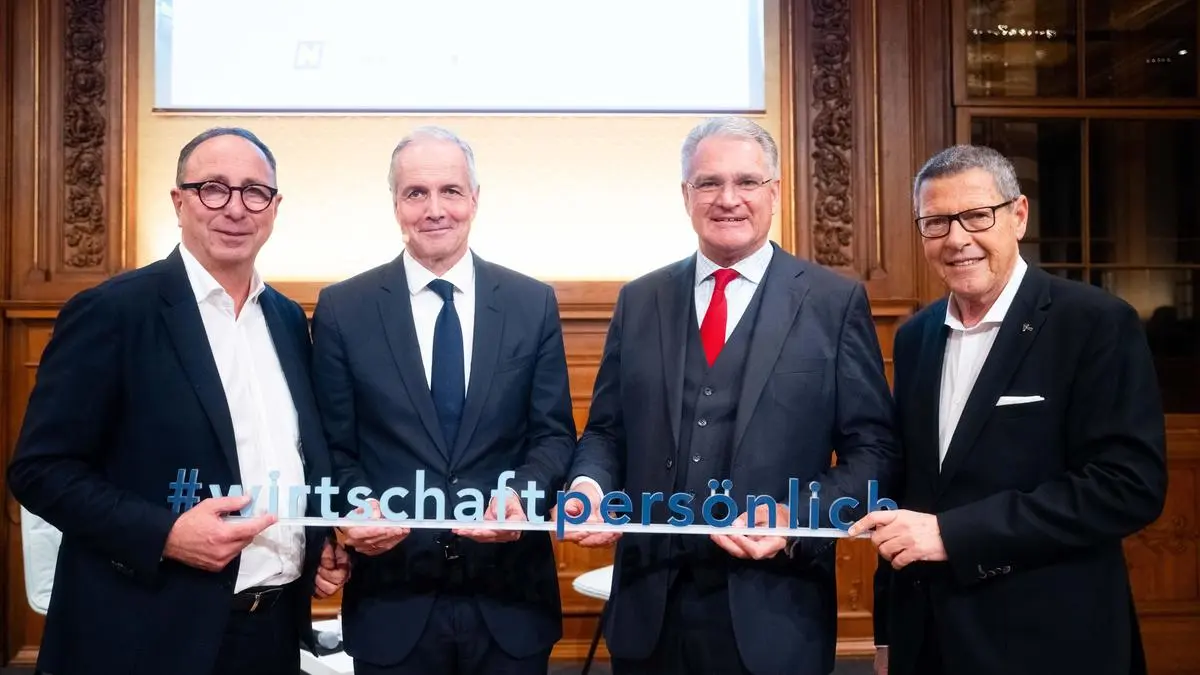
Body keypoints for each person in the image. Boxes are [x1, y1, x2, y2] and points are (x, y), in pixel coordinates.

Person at [558, 116, 901, 675]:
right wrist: (590, 486)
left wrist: (794, 518)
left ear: (775, 193)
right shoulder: (640, 299)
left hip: (775, 611)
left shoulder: (832, 303)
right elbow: (606, 431)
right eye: (709, 183)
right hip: (649, 612)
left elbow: (875, 452)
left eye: (746, 181)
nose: (728, 199)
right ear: (686, 195)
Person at [6, 127, 349, 675]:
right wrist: (165, 535)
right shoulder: (112, 312)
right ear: (179, 201)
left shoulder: (288, 319)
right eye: (213, 188)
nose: (234, 208)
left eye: (254, 192)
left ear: (274, 207)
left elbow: (292, 456)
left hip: (271, 634)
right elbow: (39, 470)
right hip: (144, 635)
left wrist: (315, 541)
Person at [853, 144, 1167, 675]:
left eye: (977, 215)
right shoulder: (914, 338)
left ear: (1019, 215)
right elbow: (909, 494)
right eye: (936, 222)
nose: (957, 239)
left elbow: (1127, 486)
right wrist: (887, 636)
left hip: (1049, 641)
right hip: (926, 641)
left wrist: (954, 535)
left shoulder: (1094, 323)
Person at [310, 125, 577, 675]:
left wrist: (521, 498)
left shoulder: (531, 303)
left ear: (474, 199)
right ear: (395, 204)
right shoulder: (343, 309)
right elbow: (333, 446)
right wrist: (357, 504)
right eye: (416, 193)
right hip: (393, 598)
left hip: (509, 600)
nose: (435, 209)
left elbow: (552, 435)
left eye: (450, 191)